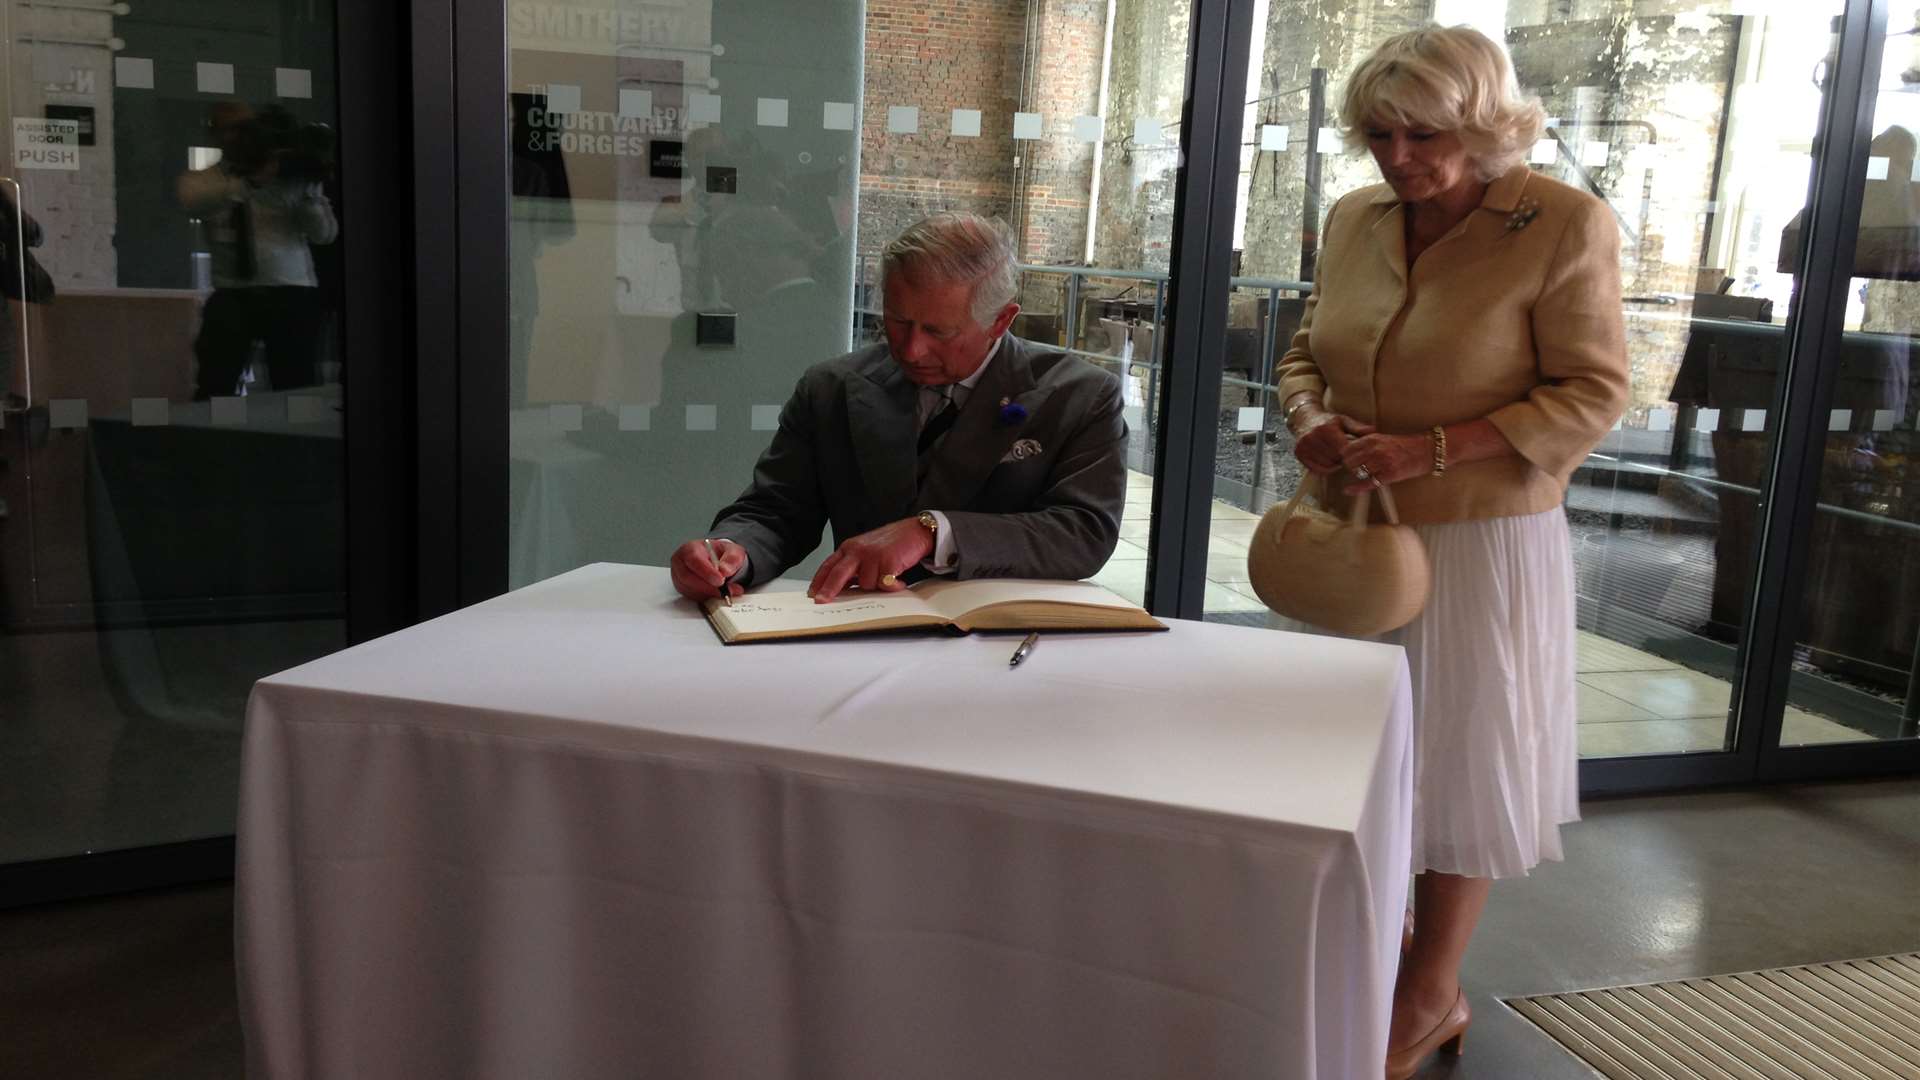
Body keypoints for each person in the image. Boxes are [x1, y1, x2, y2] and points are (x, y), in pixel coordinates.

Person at [1272, 26, 1628, 1079]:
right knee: (1361, 755)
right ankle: (1384, 956)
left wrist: (1436, 445)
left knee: (1460, 767)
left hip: (1480, 535)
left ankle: (1430, 996)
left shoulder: (1562, 223)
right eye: (1378, 133)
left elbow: (1596, 390)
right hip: (1356, 527)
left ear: (1481, 122)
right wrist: (1304, 417)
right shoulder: (1355, 218)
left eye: (1421, 133)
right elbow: (1306, 347)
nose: (1397, 157)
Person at [668, 211, 1127, 603]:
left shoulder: (1080, 396)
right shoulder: (832, 389)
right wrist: (731, 552)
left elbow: (1084, 531)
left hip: (1004, 642)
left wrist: (932, 531)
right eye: (897, 320)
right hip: (863, 632)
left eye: (938, 331)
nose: (911, 349)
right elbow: (777, 510)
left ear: (1001, 320)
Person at [178, 102, 339, 400]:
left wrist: (308, 194)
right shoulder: (205, 180)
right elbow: (193, 201)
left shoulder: (290, 176)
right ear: (215, 135)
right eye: (230, 130)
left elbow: (324, 235)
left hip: (292, 292)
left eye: (245, 130)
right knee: (215, 385)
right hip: (233, 294)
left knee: (296, 388)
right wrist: (252, 180)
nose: (238, 137)